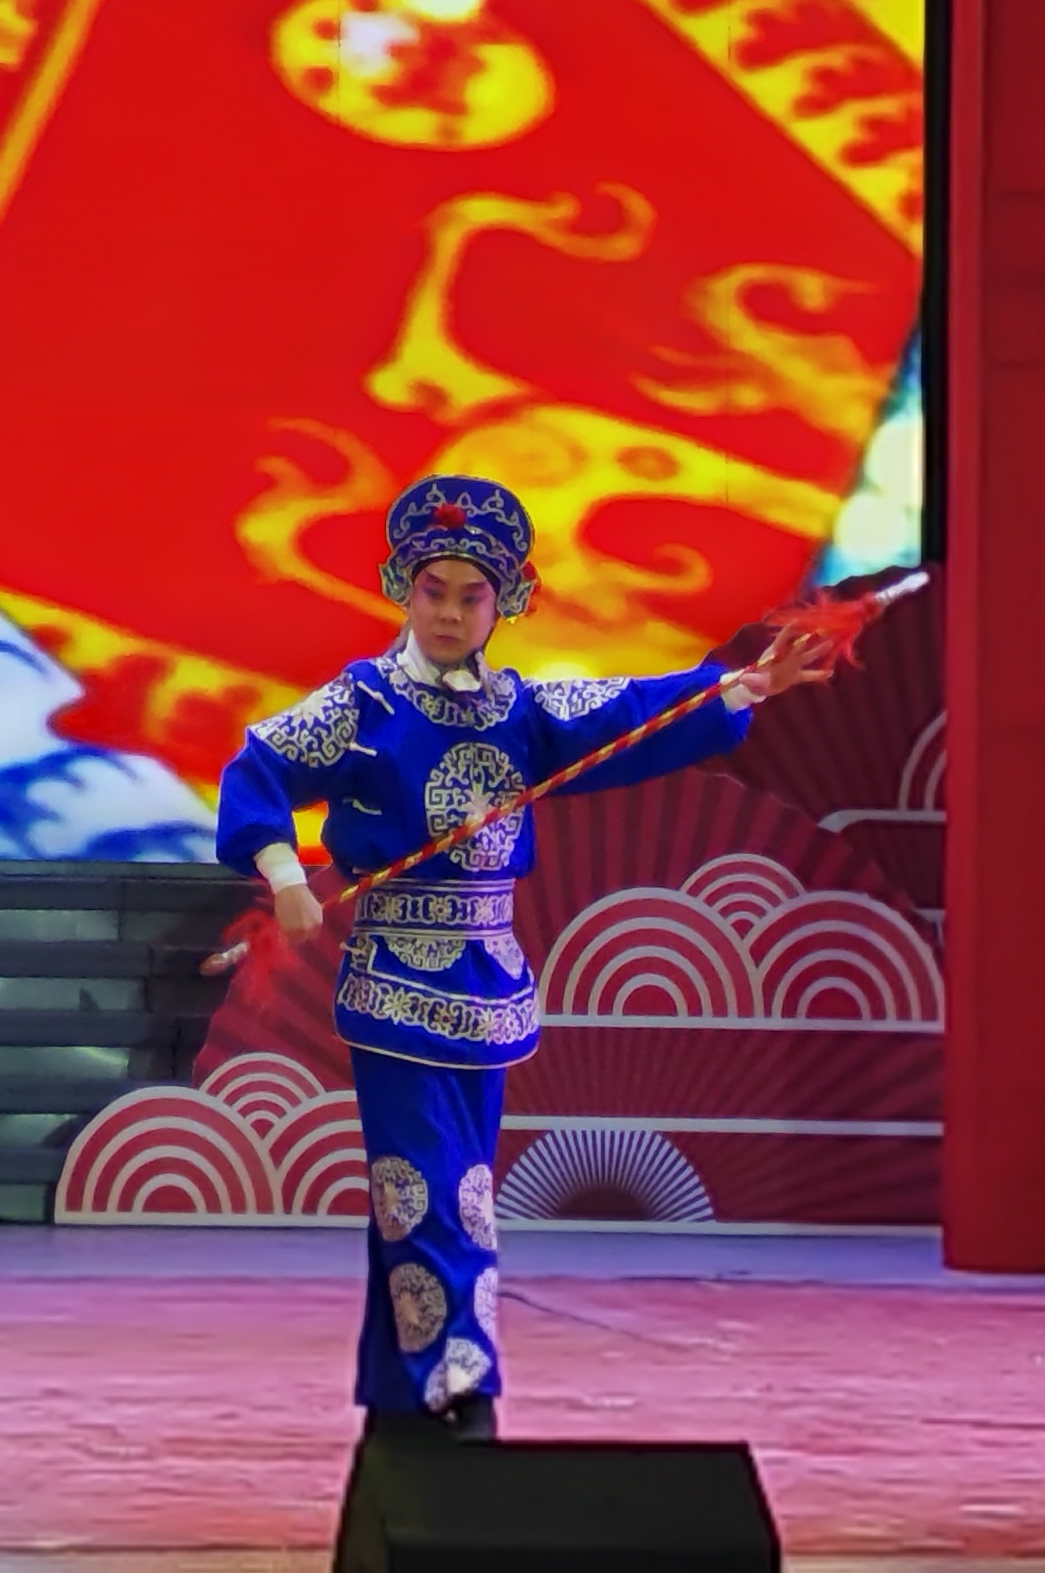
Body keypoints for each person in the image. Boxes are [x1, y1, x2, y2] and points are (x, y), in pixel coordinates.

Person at [213, 474, 844, 1442]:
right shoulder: (362, 702)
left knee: (450, 1188)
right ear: (403, 590)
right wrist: (284, 874)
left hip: (489, 979)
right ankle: (459, 1367)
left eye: (471, 596)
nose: (450, 613)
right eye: (434, 592)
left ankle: (403, 1386)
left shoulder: (520, 710)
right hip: (397, 978)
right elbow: (256, 767)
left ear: (502, 602)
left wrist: (746, 685)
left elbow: (630, 713)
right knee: (424, 1186)